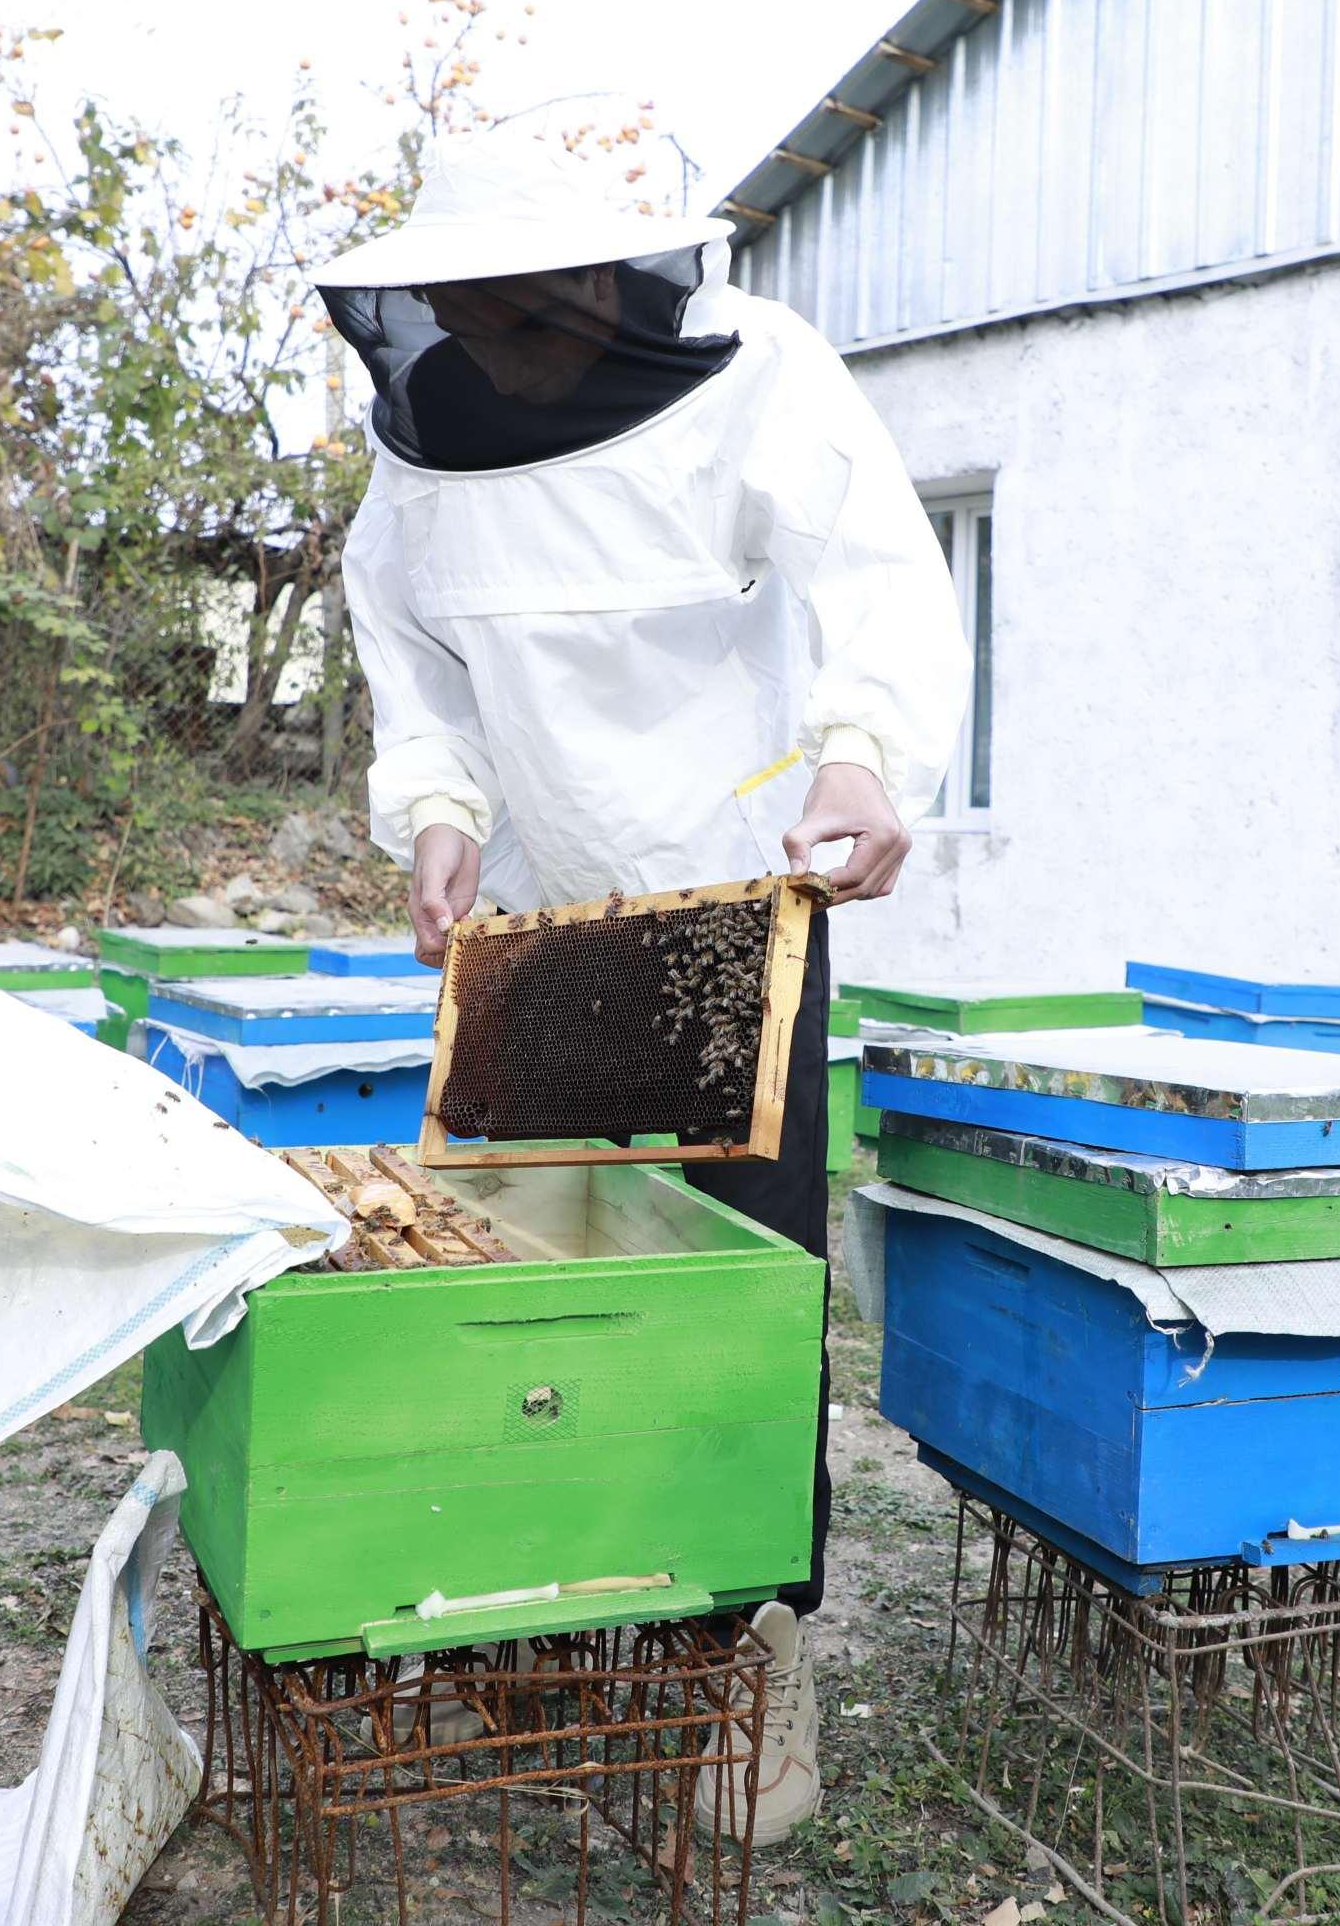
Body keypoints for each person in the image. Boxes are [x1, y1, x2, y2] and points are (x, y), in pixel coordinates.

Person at [320, 132, 968, 1842]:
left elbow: (879, 580)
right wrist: (442, 816)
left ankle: (750, 1653)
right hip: (536, 918)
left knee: (742, 1305)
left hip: (740, 903)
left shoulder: (767, 381)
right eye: (467, 309)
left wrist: (865, 751)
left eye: (526, 306)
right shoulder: (420, 456)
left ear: (619, 279)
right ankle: (536, 1606)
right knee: (520, 1290)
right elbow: (415, 662)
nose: (498, 339)